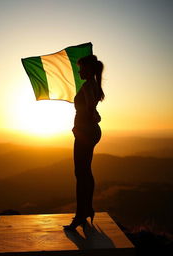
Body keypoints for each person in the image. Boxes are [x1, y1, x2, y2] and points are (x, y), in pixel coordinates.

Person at [63, 55, 104, 230]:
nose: (79, 71)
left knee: (80, 173)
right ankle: (87, 209)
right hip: (90, 132)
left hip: (85, 132)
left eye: (81, 68)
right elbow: (93, 112)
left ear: (88, 69)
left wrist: (78, 128)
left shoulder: (88, 86)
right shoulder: (94, 85)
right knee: (85, 171)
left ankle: (81, 215)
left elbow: (90, 110)